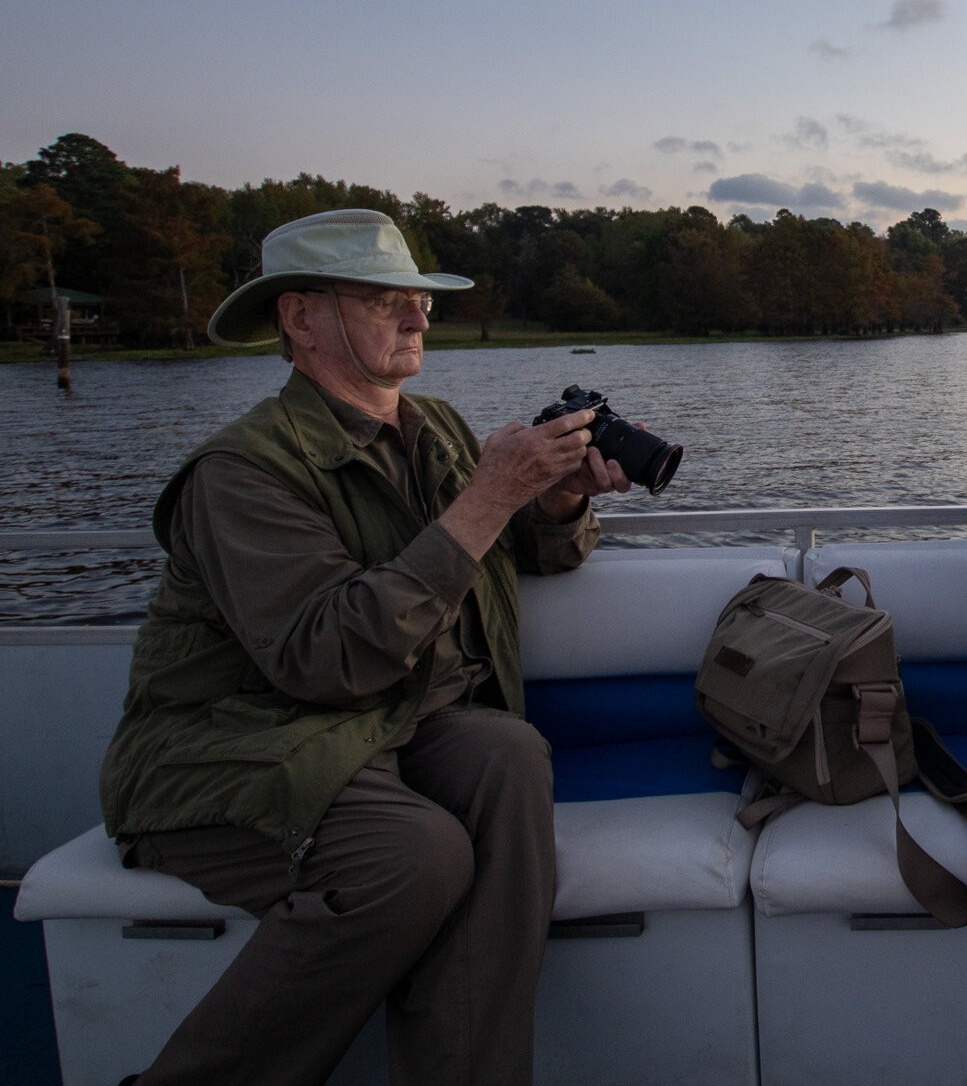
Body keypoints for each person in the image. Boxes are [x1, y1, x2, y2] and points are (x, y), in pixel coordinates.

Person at [98, 208, 633, 1086]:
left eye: (418, 300)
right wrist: (485, 499)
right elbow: (323, 657)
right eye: (387, 300)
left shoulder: (438, 431)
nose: (420, 318)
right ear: (300, 319)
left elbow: (520, 553)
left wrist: (557, 501)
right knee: (414, 854)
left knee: (507, 751)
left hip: (386, 722)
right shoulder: (241, 471)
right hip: (230, 749)